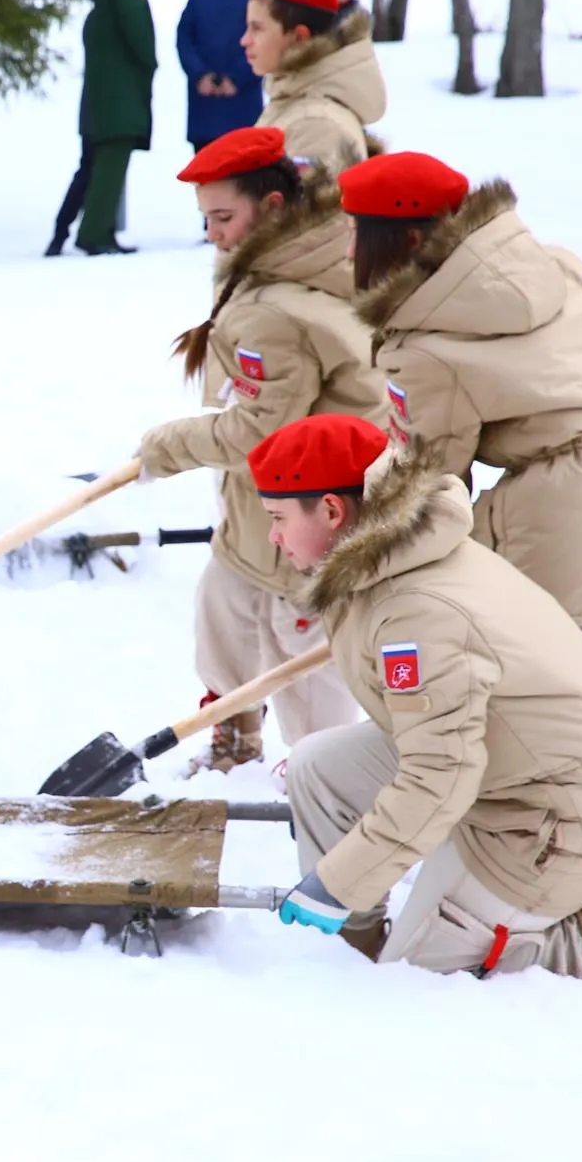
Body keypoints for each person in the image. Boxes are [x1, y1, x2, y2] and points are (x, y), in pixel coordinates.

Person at [254, 415, 582, 978]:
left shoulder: (415, 609)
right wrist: (345, 891)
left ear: (331, 510)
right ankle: (358, 950)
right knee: (318, 767)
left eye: (278, 518)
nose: (272, 536)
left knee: (425, 975)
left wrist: (337, 879)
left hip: (554, 811)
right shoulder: (393, 553)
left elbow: (439, 773)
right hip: (502, 765)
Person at [339, 151, 582, 645]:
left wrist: (368, 564)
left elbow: (426, 476)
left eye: (354, 234)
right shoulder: (554, 268)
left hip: (550, 529)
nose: (348, 254)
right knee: (571, 698)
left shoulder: (425, 347)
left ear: (407, 239)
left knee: (529, 708)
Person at [135, 127, 384, 774]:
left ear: (272, 207)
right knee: (225, 613)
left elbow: (259, 432)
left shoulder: (275, 306)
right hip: (264, 508)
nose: (212, 233)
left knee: (305, 668)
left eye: (223, 217)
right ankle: (234, 734)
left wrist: (171, 446)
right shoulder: (307, 252)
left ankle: (324, 781)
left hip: (307, 510)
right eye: (206, 219)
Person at [47, 0, 156, 257]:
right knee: (110, 165)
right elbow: (140, 40)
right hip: (119, 98)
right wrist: (149, 67)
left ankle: (67, 231)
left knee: (92, 165)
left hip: (99, 98)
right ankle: (94, 233)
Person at [241, 0, 383, 173]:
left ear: (299, 38)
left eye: (257, 28)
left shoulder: (315, 125)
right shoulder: (294, 100)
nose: (245, 40)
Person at [175, 0, 262, 155]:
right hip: (206, 109)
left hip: (245, 107)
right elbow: (184, 39)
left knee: (247, 181)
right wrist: (200, 75)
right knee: (208, 181)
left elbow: (265, 41)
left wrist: (237, 79)